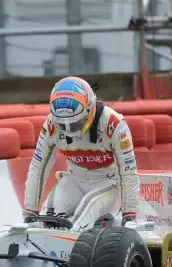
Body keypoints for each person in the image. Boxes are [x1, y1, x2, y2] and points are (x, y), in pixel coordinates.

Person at [23, 76, 140, 231]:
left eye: (74, 123)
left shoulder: (114, 124)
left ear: (89, 109)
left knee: (83, 215)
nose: (68, 130)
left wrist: (129, 214)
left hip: (107, 182)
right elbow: (38, 167)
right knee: (49, 215)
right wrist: (30, 211)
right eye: (62, 124)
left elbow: (128, 171)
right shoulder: (51, 125)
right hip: (74, 179)